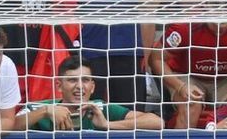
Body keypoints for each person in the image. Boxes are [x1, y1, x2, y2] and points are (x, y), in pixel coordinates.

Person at [149, 21, 227, 130]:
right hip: (187, 75)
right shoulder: (185, 27)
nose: (221, 12)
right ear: (206, 5)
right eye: (215, 4)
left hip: (225, 79)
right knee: (191, 104)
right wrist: (180, 86)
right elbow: (155, 58)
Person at [18, 56, 164, 131]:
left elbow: (157, 122)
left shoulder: (100, 109)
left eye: (85, 80)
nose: (79, 87)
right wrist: (44, 112)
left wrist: (107, 124)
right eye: (72, 80)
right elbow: (8, 126)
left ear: (92, 87)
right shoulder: (40, 108)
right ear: (59, 85)